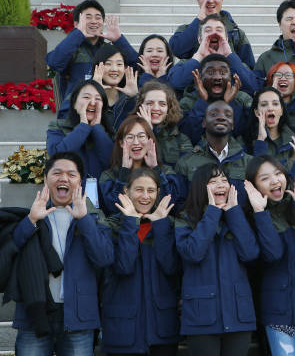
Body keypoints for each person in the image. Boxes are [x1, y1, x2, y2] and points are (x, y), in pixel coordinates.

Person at [10, 152, 114, 354]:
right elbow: (11, 253)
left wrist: (84, 220)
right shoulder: (31, 215)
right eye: (57, 173)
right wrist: (31, 221)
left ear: (80, 182)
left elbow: (104, 258)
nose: (64, 178)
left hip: (78, 316)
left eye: (71, 174)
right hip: (35, 313)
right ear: (46, 179)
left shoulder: (93, 218)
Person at [174, 164, 259, 355]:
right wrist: (212, 211)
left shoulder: (238, 216)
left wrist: (234, 212)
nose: (220, 185)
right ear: (200, 187)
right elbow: (193, 253)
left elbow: (250, 254)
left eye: (224, 180)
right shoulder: (184, 219)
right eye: (213, 182)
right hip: (201, 318)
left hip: (238, 316)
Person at [244, 157, 295, 356]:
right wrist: (260, 212)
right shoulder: (254, 215)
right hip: (278, 310)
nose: (274, 181)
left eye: (278, 174)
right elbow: (274, 254)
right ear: (255, 186)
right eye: (265, 178)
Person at [100, 168, 179, 356]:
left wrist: (160, 225)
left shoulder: (170, 224)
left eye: (151, 191)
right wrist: (130, 221)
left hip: (162, 330)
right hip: (123, 331)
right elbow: (124, 266)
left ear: (158, 193)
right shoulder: (111, 225)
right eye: (139, 190)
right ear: (126, 191)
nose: (145, 196)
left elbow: (170, 266)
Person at [47, 0, 138, 103]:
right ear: (76, 24)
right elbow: (55, 62)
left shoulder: (110, 50)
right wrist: (78, 35)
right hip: (74, 112)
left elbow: (138, 67)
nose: (94, 21)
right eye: (88, 17)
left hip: (106, 112)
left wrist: (119, 40)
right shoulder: (70, 48)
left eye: (98, 18)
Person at [99, 116, 185, 216]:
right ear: (121, 143)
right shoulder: (109, 175)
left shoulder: (166, 171)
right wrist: (124, 173)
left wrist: (156, 169)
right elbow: (113, 208)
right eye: (130, 137)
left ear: (150, 140)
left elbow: (169, 204)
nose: (136, 142)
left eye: (141, 136)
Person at [175, 100, 252, 206]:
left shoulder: (249, 162)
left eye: (227, 115)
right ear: (204, 123)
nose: (221, 117)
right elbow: (180, 205)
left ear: (233, 125)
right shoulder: (186, 163)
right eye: (213, 114)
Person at [169, 0, 255, 69]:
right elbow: (176, 50)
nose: (210, 0)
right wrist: (200, 19)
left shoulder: (236, 34)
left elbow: (250, 69)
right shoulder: (186, 30)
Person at [168, 14, 259, 96]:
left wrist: (229, 55)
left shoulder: (238, 65)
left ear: (226, 38)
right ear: (199, 39)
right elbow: (174, 84)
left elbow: (253, 87)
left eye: (219, 30)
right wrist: (199, 56)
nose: (214, 34)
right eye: (208, 30)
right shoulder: (186, 64)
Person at [47, 80, 114, 180]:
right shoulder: (58, 127)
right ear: (74, 103)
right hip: (68, 191)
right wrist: (83, 126)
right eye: (86, 97)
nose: (92, 102)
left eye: (98, 99)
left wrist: (96, 127)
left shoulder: (109, 130)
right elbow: (57, 157)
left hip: (101, 193)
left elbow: (111, 162)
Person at [177, 53, 250, 143]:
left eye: (223, 73)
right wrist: (202, 101)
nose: (217, 77)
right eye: (210, 73)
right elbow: (190, 136)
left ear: (230, 77)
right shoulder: (187, 102)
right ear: (200, 77)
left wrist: (227, 104)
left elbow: (240, 134)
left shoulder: (242, 100)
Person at [132, 80, 193, 168]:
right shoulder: (128, 135)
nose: (156, 108)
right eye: (150, 103)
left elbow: (182, 176)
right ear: (140, 106)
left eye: (162, 104)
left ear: (168, 109)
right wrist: (146, 131)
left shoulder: (181, 140)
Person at [87, 44, 140, 132]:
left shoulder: (132, 96)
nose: (114, 69)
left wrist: (134, 98)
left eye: (119, 64)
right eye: (108, 64)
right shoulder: (82, 93)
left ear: (125, 68)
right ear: (97, 67)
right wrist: (94, 92)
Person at [244, 87, 295, 165]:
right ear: (256, 112)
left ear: (281, 110)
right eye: (264, 105)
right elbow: (255, 173)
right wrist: (260, 140)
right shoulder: (244, 141)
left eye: (275, 104)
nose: (270, 108)